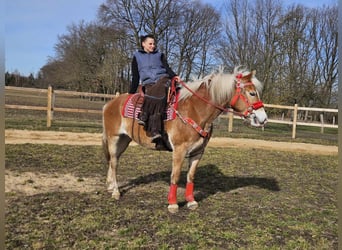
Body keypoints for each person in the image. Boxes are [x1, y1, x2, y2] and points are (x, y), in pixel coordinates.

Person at [129, 34, 180, 143]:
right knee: (153, 94)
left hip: (163, 79)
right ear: (143, 44)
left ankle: (146, 116)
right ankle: (155, 130)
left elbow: (167, 68)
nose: (153, 46)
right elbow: (135, 76)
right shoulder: (137, 57)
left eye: (154, 44)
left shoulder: (159, 55)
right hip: (149, 84)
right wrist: (131, 92)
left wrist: (174, 76)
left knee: (160, 92)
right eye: (150, 43)